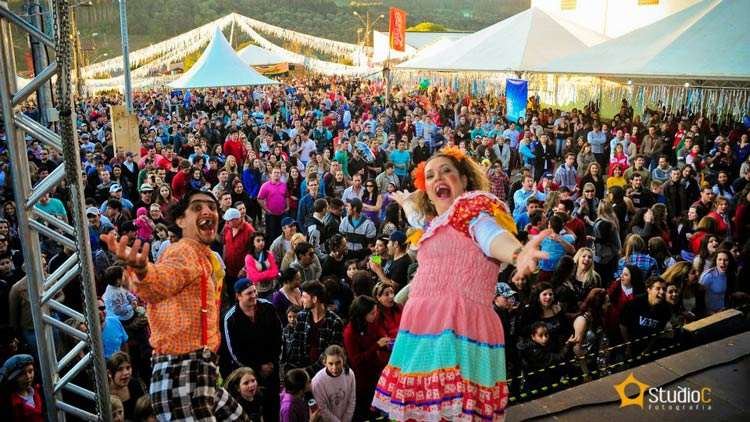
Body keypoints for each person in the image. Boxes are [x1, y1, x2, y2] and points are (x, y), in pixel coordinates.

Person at [372, 147, 548, 420]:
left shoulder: (473, 211)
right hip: (422, 328)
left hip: (457, 325)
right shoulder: (433, 224)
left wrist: (517, 253)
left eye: (446, 171)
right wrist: (407, 202)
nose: (437, 178)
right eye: (429, 176)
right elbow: (417, 217)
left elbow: (491, 236)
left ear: (464, 180)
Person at [100, 190, 245, 420]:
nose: (208, 211)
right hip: (180, 371)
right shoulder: (183, 252)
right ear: (180, 220)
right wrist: (143, 271)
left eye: (212, 207)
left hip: (198, 368)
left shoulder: (204, 256)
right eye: (197, 208)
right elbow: (160, 283)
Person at [220, 279, 282, 422]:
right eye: (249, 293)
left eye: (254, 291)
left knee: (272, 405)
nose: (254, 295)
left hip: (271, 367)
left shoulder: (268, 308)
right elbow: (233, 351)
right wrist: (257, 368)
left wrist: (273, 362)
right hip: (247, 372)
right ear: (238, 296)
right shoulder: (230, 318)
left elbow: (279, 335)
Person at [343, 296, 389, 420]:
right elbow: (356, 360)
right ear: (362, 314)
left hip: (376, 373)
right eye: (372, 313)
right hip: (362, 380)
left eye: (376, 312)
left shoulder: (371, 323)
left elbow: (379, 337)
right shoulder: (350, 333)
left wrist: (386, 344)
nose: (375, 315)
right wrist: (376, 346)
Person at [286, 281, 344, 376]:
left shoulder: (334, 322)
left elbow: (331, 353)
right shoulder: (301, 317)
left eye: (304, 297)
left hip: (324, 373)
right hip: (301, 369)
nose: (301, 300)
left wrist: (308, 371)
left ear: (314, 299)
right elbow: (296, 345)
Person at [619, 276, 671, 358]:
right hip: (628, 345)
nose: (662, 292)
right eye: (658, 288)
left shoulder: (665, 309)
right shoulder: (634, 304)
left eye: (664, 289)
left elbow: (658, 331)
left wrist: (648, 349)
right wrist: (628, 345)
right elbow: (623, 326)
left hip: (648, 348)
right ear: (649, 289)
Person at [311, 345, 356, 422]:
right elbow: (322, 408)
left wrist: (346, 420)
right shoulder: (317, 381)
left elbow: (352, 400)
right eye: (330, 363)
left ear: (344, 361)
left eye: (338, 363)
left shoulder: (350, 374)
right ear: (325, 362)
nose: (334, 368)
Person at [0, 354, 43, 421]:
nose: (28, 377)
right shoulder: (10, 404)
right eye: (22, 374)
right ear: (13, 378)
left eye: (30, 371)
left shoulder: (38, 390)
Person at [107, 351, 147, 421]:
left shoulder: (135, 385)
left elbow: (143, 413)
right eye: (120, 369)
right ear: (109, 373)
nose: (126, 373)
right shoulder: (103, 390)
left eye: (128, 368)